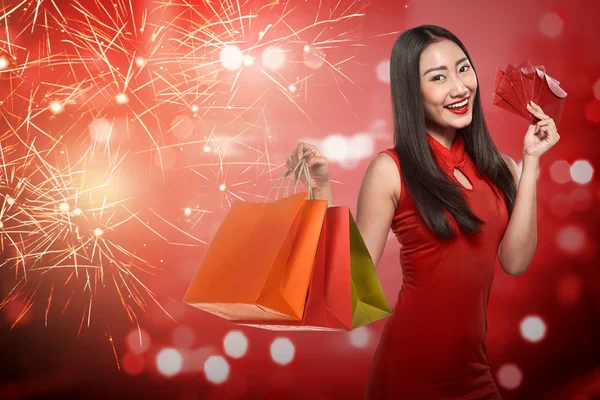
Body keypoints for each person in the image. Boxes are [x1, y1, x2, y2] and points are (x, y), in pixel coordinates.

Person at [286, 25, 560, 399]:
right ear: (412, 92)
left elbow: (515, 262)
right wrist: (320, 188)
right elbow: (349, 285)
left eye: (463, 68)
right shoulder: (391, 169)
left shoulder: (502, 169)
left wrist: (531, 163)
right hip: (407, 378)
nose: (459, 87)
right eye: (438, 77)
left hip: (474, 375)